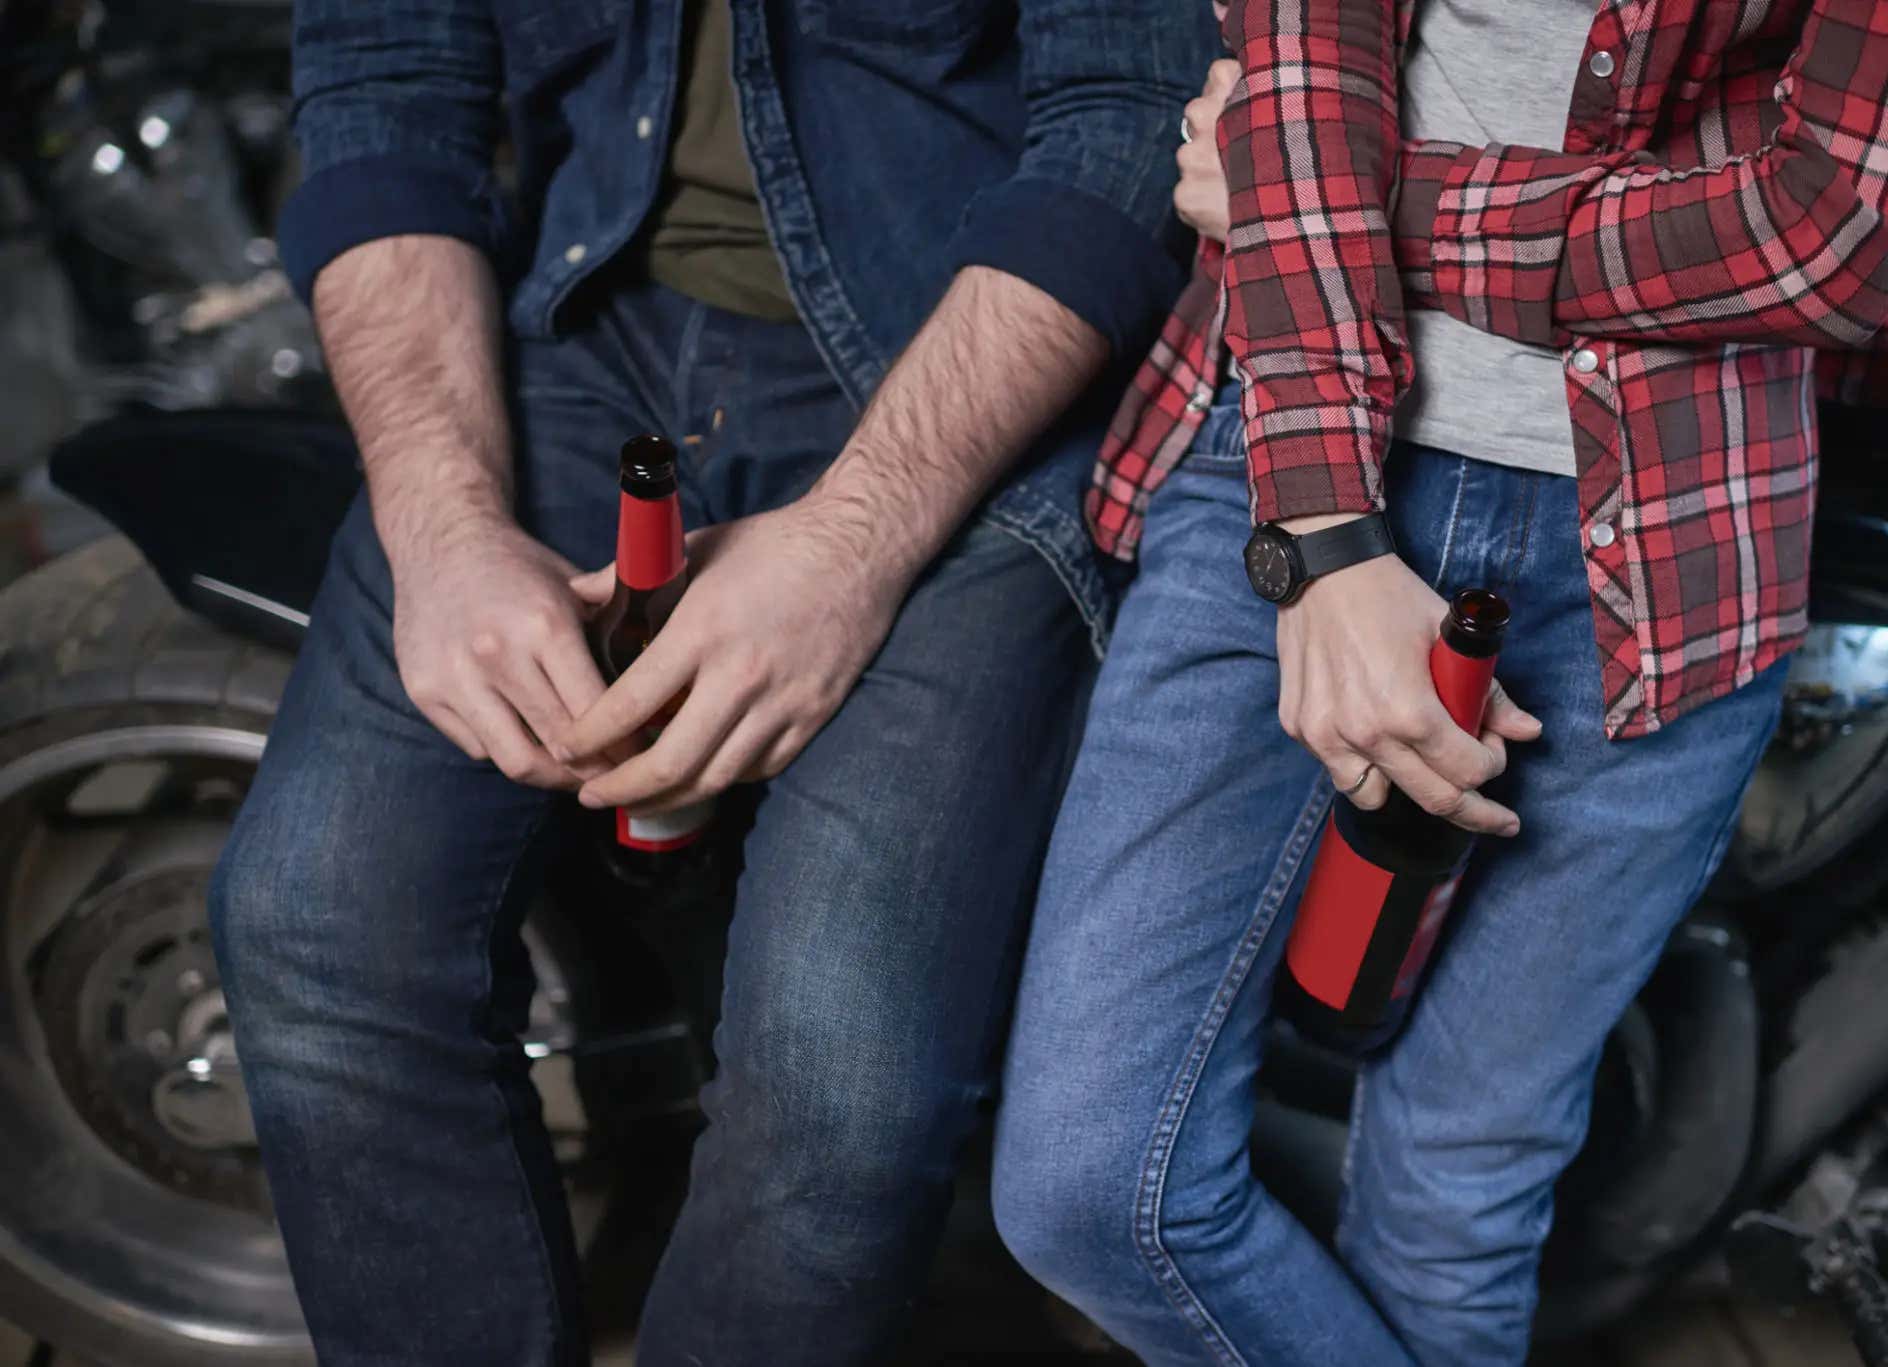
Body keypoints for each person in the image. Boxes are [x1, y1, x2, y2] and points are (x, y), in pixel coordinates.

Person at [992, 0, 1888, 1362]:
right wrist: (1323, 535)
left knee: (1454, 1200)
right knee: (1089, 1189)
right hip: (1284, 441)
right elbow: (1305, 54)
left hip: (1682, 533)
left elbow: (1823, 238)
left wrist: (1342, 204)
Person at [204, 1, 1209, 1363]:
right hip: (582, 323)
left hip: (971, 353)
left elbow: (1128, 118)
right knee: (315, 925)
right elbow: (386, 82)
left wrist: (856, 542)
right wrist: (442, 527)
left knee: (838, 1078)